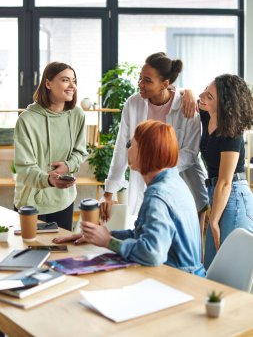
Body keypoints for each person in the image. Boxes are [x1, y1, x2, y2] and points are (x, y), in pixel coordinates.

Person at [53, 120, 205, 276]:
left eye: (131, 144)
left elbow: (152, 253)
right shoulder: (173, 181)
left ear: (145, 151)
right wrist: (102, 234)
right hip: (185, 275)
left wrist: (107, 242)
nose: (128, 150)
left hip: (179, 281)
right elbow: (144, 236)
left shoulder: (157, 195)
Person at [101, 52, 209, 226]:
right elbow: (122, 146)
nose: (140, 84)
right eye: (140, 78)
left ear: (165, 84)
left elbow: (190, 153)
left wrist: (155, 166)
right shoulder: (133, 103)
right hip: (149, 184)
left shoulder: (186, 106)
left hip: (185, 185)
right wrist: (108, 193)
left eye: (147, 81)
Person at [14, 62, 87, 231]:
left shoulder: (77, 115)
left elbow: (80, 151)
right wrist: (48, 179)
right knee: (30, 253)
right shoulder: (27, 119)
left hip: (63, 200)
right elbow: (24, 168)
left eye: (74, 81)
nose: (72, 86)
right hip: (30, 202)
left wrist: (68, 165)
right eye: (65, 80)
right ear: (48, 83)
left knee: (59, 254)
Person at [199, 74, 253, 269]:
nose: (202, 96)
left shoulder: (232, 132)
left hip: (234, 198)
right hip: (218, 195)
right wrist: (186, 92)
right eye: (205, 89)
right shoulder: (206, 115)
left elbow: (225, 181)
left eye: (210, 96)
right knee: (211, 267)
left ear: (224, 104)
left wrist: (213, 220)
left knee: (229, 269)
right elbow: (180, 96)